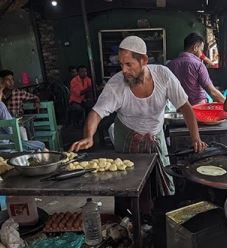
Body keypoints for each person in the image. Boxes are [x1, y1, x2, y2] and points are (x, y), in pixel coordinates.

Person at [70, 36, 206, 195]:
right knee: (130, 185)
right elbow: (96, 112)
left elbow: (185, 107)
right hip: (127, 138)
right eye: (121, 64)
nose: (124, 70)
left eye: (129, 64)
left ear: (144, 60)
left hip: (156, 136)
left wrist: (196, 138)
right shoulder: (116, 84)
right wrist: (88, 136)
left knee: (163, 184)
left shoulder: (163, 75)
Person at [167, 32, 225, 105]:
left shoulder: (169, 65)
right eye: (201, 50)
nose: (201, 53)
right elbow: (212, 92)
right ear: (195, 48)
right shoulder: (198, 65)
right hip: (198, 108)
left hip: (179, 108)